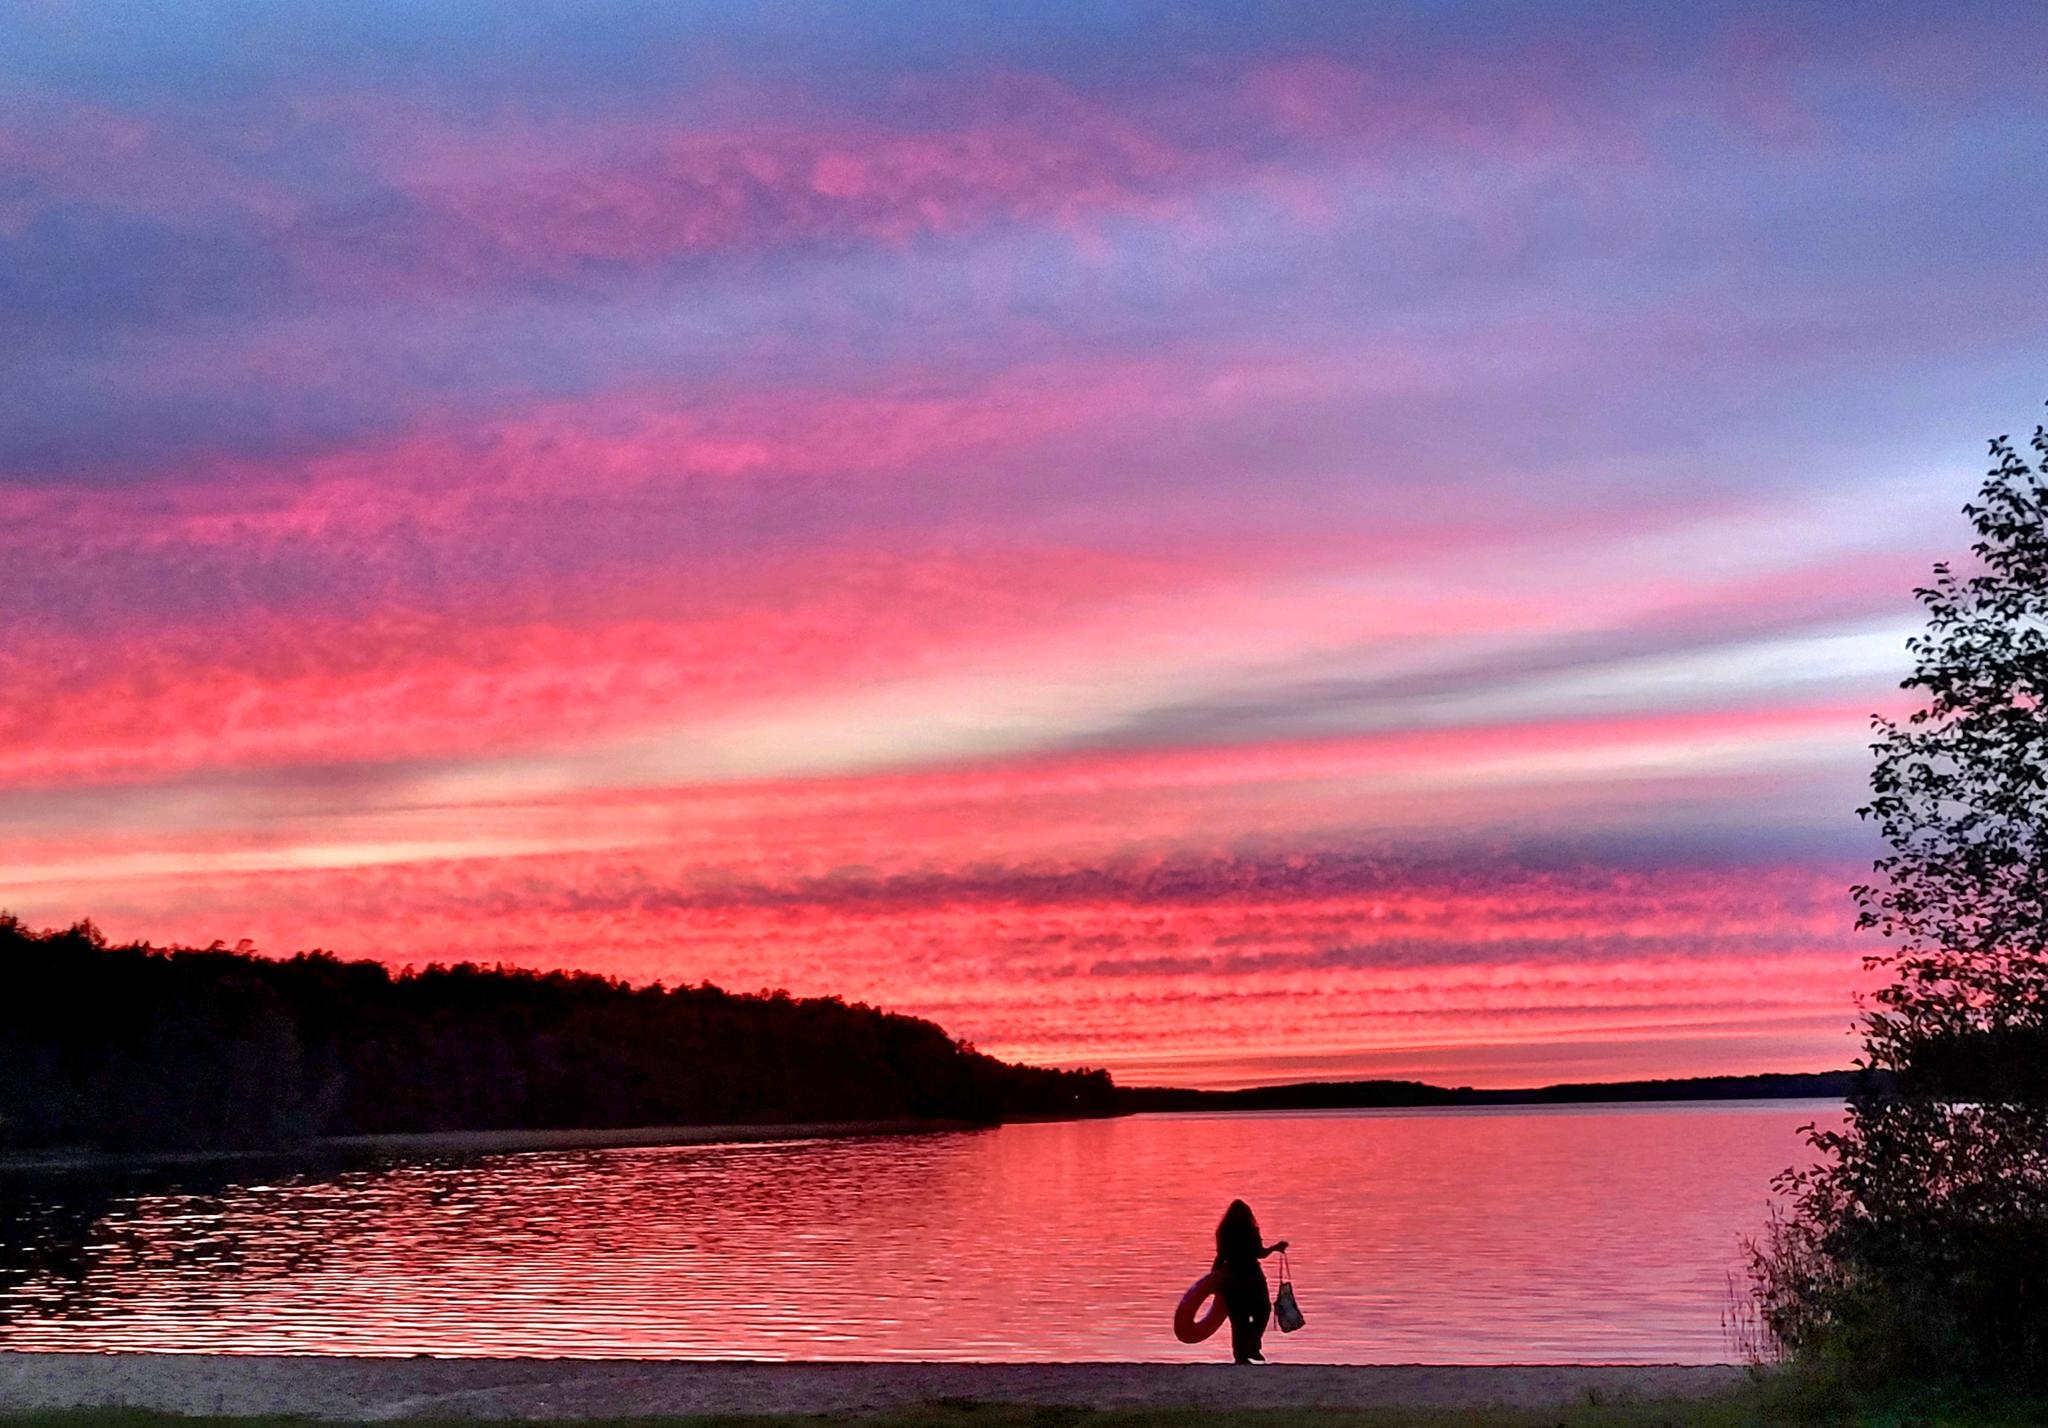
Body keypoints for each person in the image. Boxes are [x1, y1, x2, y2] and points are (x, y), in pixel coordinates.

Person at [1212, 1199, 1287, 1363]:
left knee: (1238, 1319)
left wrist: (1214, 1280)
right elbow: (1260, 1253)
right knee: (1262, 1311)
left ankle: (1241, 1355)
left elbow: (1220, 1257)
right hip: (1251, 1277)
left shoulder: (1224, 1232)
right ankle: (1252, 1346)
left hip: (1232, 1277)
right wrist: (1275, 1248)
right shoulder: (1250, 1230)